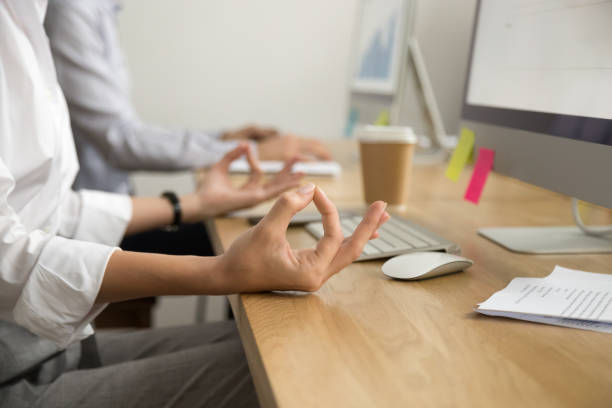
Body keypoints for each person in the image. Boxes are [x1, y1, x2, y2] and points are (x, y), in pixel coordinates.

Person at [0, 1, 389, 406]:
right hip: (15, 369)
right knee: (309, 367)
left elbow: (47, 211)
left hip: (37, 347)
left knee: (296, 340)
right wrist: (223, 271)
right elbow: (8, 251)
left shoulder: (27, 16)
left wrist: (193, 203)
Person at [44, 0, 332, 195]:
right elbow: (119, 141)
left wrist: (224, 139)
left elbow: (119, 131)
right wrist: (246, 153)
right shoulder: (73, 8)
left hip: (111, 209)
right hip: (90, 229)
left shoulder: (97, 8)